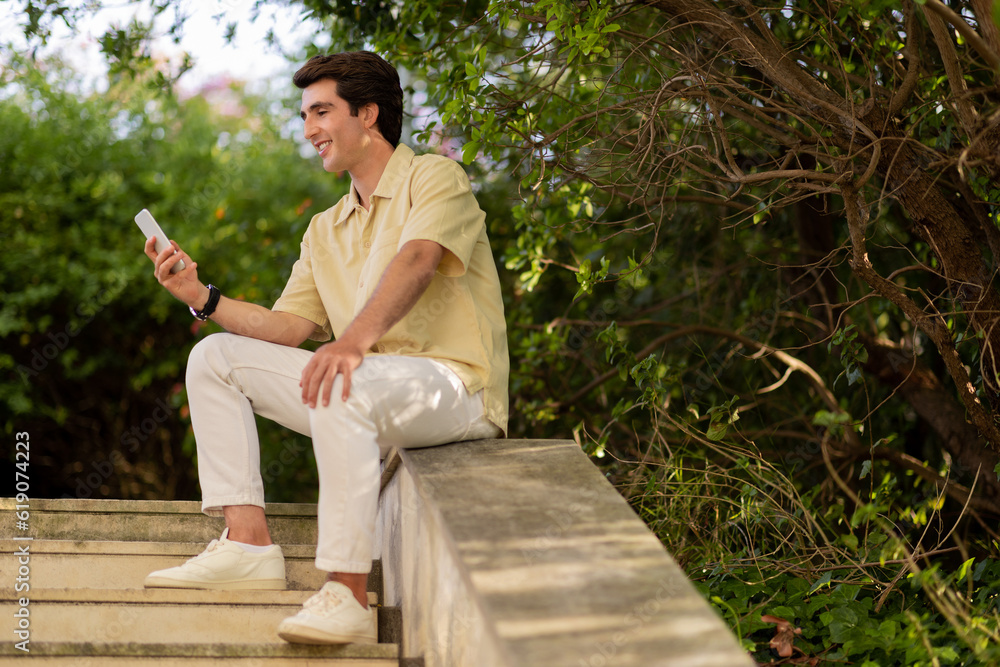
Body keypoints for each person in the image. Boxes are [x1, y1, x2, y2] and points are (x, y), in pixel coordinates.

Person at [140, 51, 509, 645]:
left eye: (320, 111)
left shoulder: (435, 178)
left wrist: (351, 343)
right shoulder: (325, 227)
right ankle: (247, 546)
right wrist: (202, 297)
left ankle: (347, 593)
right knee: (214, 358)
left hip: (454, 387)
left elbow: (418, 259)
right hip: (367, 392)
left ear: (368, 115)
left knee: (341, 377)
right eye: (304, 114)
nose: (308, 129)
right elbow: (288, 326)